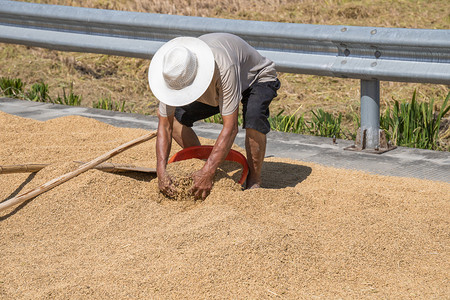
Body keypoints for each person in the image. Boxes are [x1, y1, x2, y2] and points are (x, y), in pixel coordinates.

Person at [148, 32, 280, 200]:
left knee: (253, 119)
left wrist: (209, 171)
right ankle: (200, 163)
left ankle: (254, 180)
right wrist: (161, 169)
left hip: (255, 78)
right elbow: (165, 126)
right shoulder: (172, 73)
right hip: (214, 88)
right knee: (174, 119)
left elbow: (230, 128)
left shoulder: (223, 66)